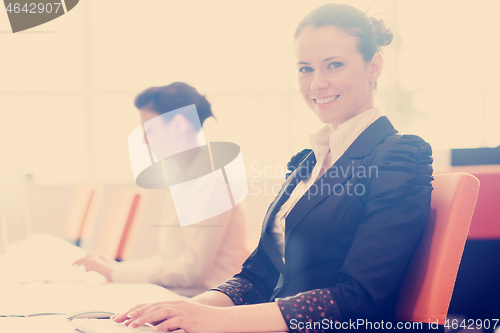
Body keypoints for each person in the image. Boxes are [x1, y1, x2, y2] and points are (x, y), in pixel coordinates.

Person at [112, 4, 434, 332]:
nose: (316, 83)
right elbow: (257, 276)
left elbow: (357, 299)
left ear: (374, 67)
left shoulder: (398, 156)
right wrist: (182, 310)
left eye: (334, 65)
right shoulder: (308, 162)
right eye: (305, 69)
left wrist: (215, 320)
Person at [74, 82, 249, 297]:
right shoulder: (186, 179)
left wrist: (115, 272)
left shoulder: (213, 182)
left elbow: (191, 272)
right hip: (183, 295)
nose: (145, 141)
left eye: (150, 130)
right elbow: (169, 261)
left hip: (205, 303)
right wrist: (115, 269)